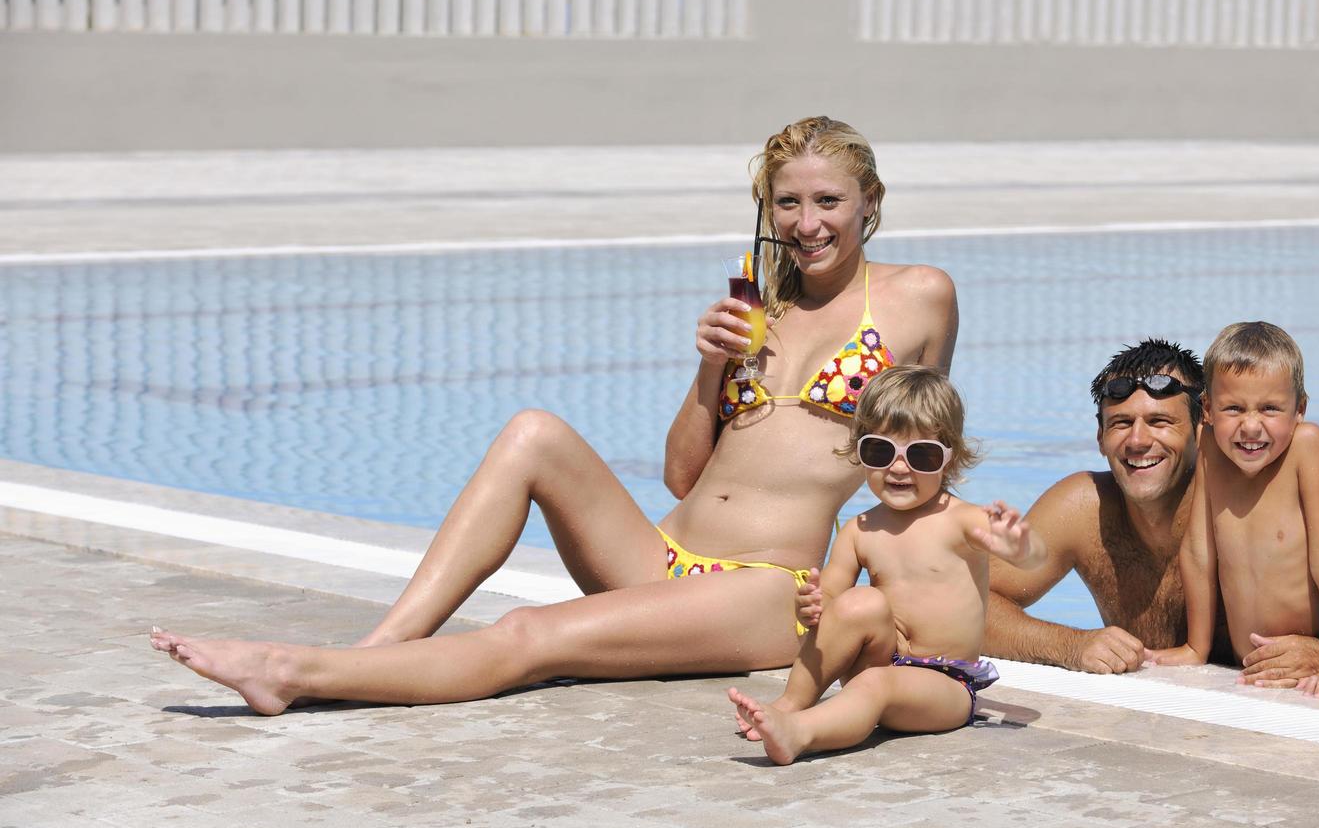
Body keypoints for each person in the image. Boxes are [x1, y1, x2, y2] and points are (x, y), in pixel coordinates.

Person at [149, 116, 960, 714]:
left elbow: (920, 468)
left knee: (533, 634)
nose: (807, 224)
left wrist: (897, 608)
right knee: (533, 429)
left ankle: (293, 674)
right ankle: (383, 647)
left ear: (870, 202)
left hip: (765, 587)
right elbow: (684, 472)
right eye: (787, 203)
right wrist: (711, 367)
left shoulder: (918, 295)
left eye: (828, 201)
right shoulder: (758, 304)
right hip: (662, 551)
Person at [985, 339, 1319, 685]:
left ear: (1201, 428)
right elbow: (970, 606)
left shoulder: (1254, 508)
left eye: (1161, 422)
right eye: (1121, 423)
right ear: (1099, 435)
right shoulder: (1083, 509)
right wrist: (1072, 646)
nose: (1138, 441)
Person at [727, 366, 1044, 765]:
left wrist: (1022, 546)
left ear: (949, 459)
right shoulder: (860, 530)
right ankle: (791, 703)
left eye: (920, 455)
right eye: (880, 451)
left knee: (875, 684)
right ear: (859, 451)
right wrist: (808, 606)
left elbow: (1030, 560)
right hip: (880, 661)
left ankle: (800, 734)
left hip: (943, 685)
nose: (898, 468)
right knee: (861, 603)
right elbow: (832, 606)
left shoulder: (963, 521)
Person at [1151, 323, 1319, 696]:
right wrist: (1196, 648)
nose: (1251, 426)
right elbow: (1200, 551)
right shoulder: (1210, 450)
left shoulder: (1309, 449)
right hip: (1248, 670)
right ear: (1208, 409)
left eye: (1269, 409)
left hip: (1307, 664)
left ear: (1299, 409)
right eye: (1234, 408)